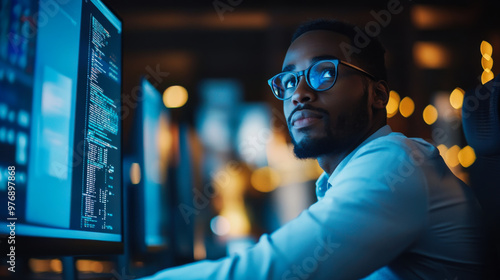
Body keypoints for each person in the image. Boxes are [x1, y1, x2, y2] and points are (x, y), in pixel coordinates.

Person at [140, 19, 487, 280]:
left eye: (324, 73)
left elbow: (270, 273)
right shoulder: (355, 174)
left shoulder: (395, 165)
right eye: (289, 80)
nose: (298, 93)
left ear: (378, 95)